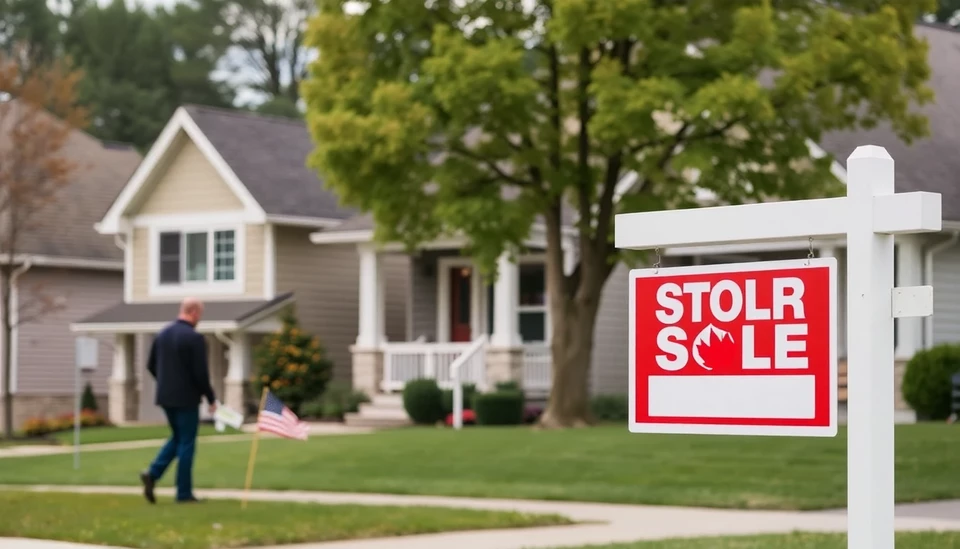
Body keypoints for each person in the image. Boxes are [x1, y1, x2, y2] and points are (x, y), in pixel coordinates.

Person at [139, 297, 217, 504]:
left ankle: (153, 473)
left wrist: (166, 382)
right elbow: (201, 373)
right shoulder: (194, 338)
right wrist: (211, 398)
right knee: (187, 443)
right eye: (200, 314)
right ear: (194, 312)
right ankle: (184, 493)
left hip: (165, 397)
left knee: (178, 437)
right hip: (187, 398)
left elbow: (150, 365)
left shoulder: (162, 334)